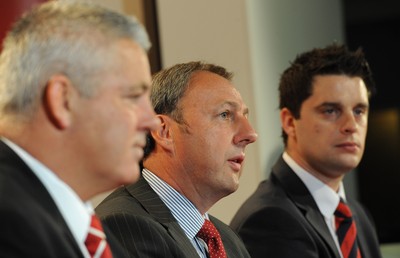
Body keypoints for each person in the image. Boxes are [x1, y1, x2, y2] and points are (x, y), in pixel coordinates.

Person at [0, 1, 159, 257]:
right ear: (63, 101)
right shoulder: (9, 226)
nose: (151, 121)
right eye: (132, 97)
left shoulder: (92, 234)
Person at [230, 43, 382, 258]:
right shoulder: (270, 220)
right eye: (330, 110)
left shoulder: (358, 215)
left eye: (359, 111)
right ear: (290, 121)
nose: (351, 125)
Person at [95, 61, 258, 257]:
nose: (250, 134)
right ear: (164, 131)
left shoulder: (228, 240)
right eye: (224, 115)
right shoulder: (124, 225)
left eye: (245, 117)